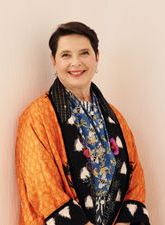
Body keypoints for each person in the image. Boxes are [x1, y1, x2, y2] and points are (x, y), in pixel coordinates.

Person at [15, 21, 150, 225]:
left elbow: (135, 177)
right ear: (53, 61)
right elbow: (42, 188)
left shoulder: (116, 117)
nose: (76, 63)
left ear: (97, 57)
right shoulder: (37, 116)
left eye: (84, 53)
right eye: (66, 55)